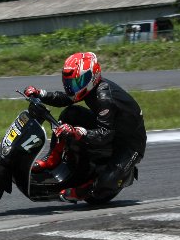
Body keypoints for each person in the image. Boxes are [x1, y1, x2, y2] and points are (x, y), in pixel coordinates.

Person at [23, 51, 146, 203]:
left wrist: (78, 132)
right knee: (71, 113)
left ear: (92, 76)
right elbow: (66, 99)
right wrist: (41, 94)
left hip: (130, 143)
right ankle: (52, 158)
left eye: (76, 83)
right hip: (109, 126)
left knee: (108, 180)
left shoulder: (104, 97)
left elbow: (105, 134)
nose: (72, 87)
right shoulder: (90, 87)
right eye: (69, 83)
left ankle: (83, 190)